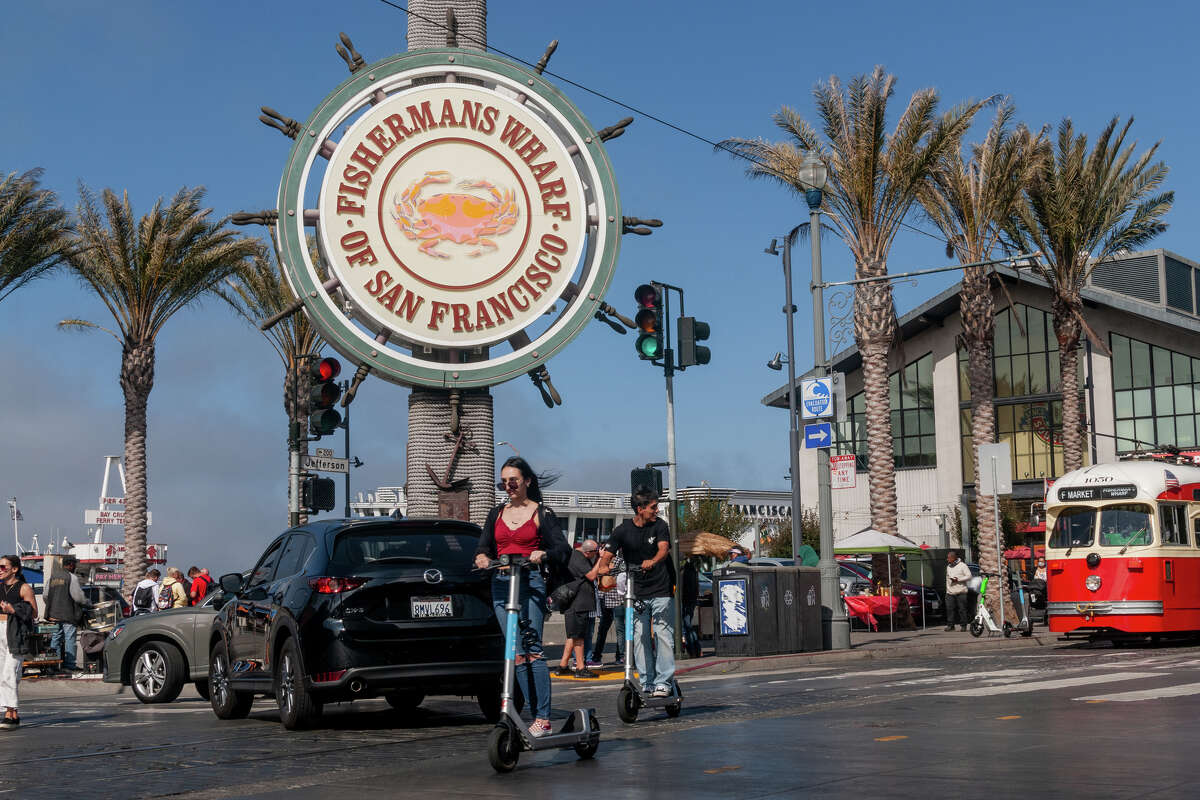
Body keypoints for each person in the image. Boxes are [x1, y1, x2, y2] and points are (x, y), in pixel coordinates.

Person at [473, 456, 570, 739]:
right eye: (503, 482)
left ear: (527, 481)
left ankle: (543, 717)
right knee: (514, 654)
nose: (508, 486)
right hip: (502, 584)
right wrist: (481, 557)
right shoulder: (496, 513)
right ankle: (526, 713)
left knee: (532, 649)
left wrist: (544, 553)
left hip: (529, 583)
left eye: (513, 481)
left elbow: (563, 550)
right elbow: (483, 546)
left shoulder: (542, 513)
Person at [597, 487, 675, 697]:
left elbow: (663, 549)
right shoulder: (622, 530)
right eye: (653, 507)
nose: (656, 510)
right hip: (637, 590)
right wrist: (604, 565)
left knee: (662, 634)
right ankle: (647, 681)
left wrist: (653, 560)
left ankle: (664, 682)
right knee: (639, 637)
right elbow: (608, 553)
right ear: (640, 509)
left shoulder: (660, 526)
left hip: (660, 588)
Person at [0, 555, 36, 730]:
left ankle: (10, 712)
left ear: (14, 569)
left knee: (9, 672)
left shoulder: (23, 588)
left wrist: (13, 609)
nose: (0, 570)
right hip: (0, 630)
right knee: (2, 673)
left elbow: (34, 612)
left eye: (3, 567)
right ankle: (12, 713)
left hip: (15, 632)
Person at [556, 539, 599, 679]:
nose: (596, 555)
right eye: (595, 552)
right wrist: (601, 560)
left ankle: (562, 666)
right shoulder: (578, 558)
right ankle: (580, 668)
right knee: (579, 636)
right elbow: (592, 576)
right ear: (587, 552)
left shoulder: (576, 556)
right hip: (578, 603)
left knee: (572, 635)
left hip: (576, 603)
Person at [42, 555, 89, 673]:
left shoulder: (52, 577)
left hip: (53, 614)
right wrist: (88, 603)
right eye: (75, 565)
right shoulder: (71, 577)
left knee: (55, 639)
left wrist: (53, 606)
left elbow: (45, 595)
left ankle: (54, 665)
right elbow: (78, 597)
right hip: (68, 615)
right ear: (71, 565)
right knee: (70, 639)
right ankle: (70, 666)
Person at [589, 551, 624, 665]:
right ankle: (597, 655)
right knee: (602, 630)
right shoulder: (599, 560)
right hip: (603, 599)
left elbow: (611, 572)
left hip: (618, 599)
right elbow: (595, 573)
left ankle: (621, 655)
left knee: (620, 629)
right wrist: (601, 560)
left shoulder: (619, 561)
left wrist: (604, 564)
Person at [944, 550, 971, 632]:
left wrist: (958, 579)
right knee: (950, 609)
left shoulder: (963, 565)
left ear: (953, 558)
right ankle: (950, 625)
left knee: (962, 609)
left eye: (949, 558)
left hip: (961, 592)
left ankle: (963, 626)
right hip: (950, 592)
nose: (947, 559)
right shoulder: (948, 567)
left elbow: (969, 576)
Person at [680, 558, 701, 659]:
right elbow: (696, 588)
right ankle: (696, 649)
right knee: (688, 626)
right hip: (692, 601)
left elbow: (682, 589)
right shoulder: (694, 573)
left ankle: (691, 650)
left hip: (685, 601)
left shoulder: (684, 574)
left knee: (686, 627)